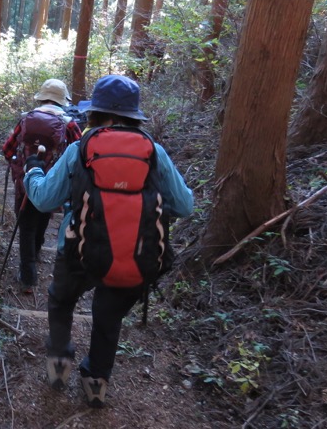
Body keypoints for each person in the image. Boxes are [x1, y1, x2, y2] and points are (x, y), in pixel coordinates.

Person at [23, 75, 193, 408]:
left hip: (77, 250)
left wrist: (33, 171)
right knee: (108, 315)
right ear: (134, 116)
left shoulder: (80, 149)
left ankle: (59, 363)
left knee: (61, 300)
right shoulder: (153, 152)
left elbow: (44, 200)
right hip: (135, 254)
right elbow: (184, 205)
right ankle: (96, 381)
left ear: (98, 115)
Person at [2, 79, 82, 293]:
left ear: (42, 97)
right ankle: (36, 252)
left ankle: (28, 279)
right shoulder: (69, 124)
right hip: (52, 184)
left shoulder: (26, 119)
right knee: (43, 215)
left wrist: (20, 166)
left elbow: (7, 149)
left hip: (26, 182)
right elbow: (81, 153)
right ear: (61, 100)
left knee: (26, 225)